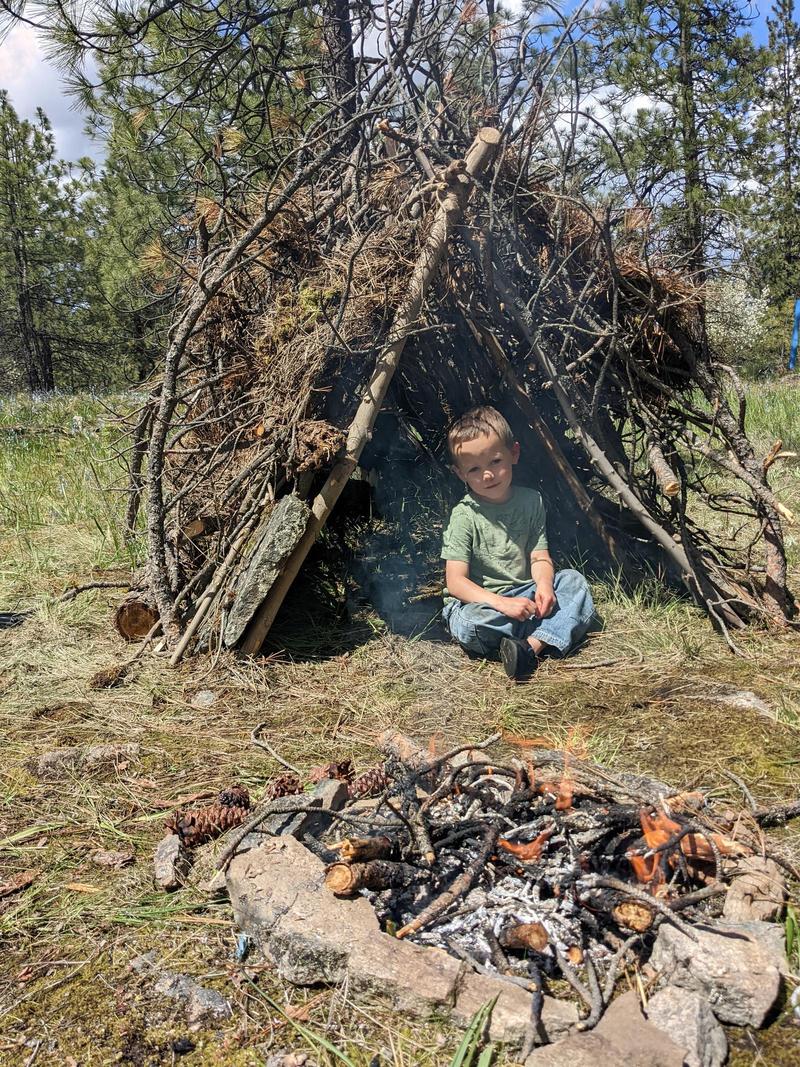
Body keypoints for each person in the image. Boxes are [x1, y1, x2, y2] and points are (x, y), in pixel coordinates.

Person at [441, 406, 595, 679]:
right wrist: (502, 604)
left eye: (495, 462)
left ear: (514, 453)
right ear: (460, 473)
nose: (487, 475)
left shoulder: (530, 501)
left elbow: (539, 557)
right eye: (474, 469)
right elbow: (455, 582)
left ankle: (528, 648)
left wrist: (545, 586)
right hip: (486, 605)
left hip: (526, 595)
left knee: (574, 582)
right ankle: (546, 634)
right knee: (467, 623)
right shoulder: (464, 515)